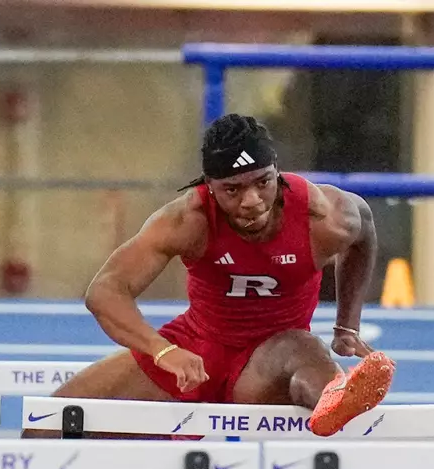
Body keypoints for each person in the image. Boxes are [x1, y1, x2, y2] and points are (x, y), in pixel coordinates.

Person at [34, 114, 393, 438]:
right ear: (210, 186)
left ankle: (334, 398)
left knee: (300, 348)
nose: (251, 200)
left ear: (277, 173)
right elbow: (106, 291)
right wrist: (162, 351)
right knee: (46, 428)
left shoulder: (324, 215)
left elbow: (364, 235)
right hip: (195, 351)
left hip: (269, 363)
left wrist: (347, 326)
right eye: (233, 190)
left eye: (262, 182)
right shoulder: (188, 219)